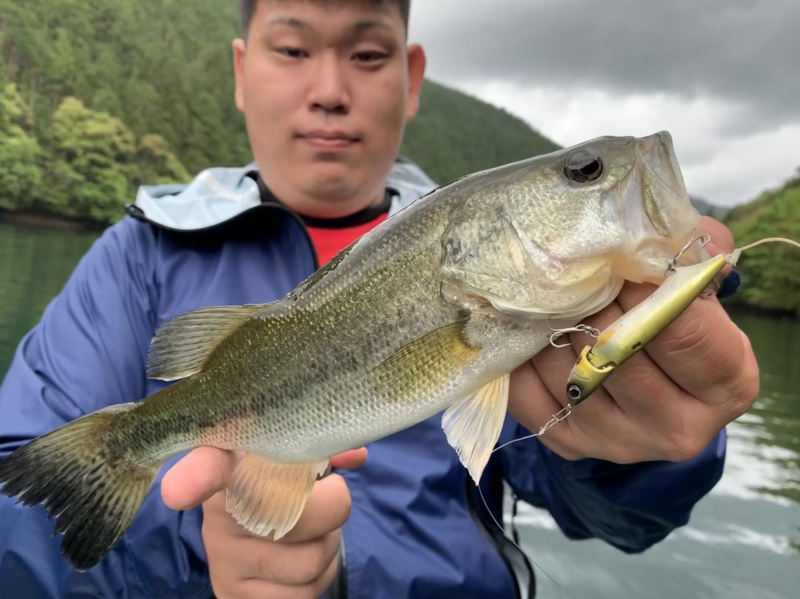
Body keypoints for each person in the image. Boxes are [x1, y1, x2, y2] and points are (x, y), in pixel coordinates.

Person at [0, 0, 758, 597]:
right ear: (240, 70)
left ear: (411, 73)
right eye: (292, 50)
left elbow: (618, 522)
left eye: (367, 54)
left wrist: (653, 448)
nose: (330, 93)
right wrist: (195, 559)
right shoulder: (136, 257)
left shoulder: (549, 316)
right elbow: (18, 519)